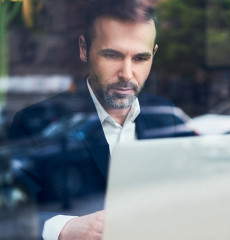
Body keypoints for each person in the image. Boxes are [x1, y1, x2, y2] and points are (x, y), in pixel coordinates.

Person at [9, 0, 195, 239]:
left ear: (154, 54)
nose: (127, 74)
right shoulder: (33, 122)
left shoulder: (166, 116)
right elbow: (8, 217)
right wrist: (62, 229)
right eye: (112, 55)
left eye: (140, 58)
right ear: (84, 49)